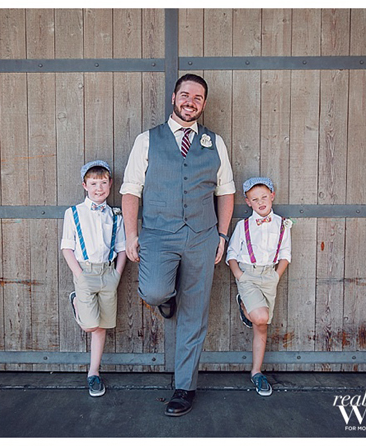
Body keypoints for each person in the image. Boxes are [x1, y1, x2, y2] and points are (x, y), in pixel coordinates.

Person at [120, 74, 235, 416]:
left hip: (202, 235)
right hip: (158, 233)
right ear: (173, 98)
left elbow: (226, 191)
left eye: (198, 98)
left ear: (203, 104)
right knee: (154, 291)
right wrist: (130, 234)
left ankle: (184, 387)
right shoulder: (147, 140)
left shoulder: (215, 143)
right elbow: (131, 190)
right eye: (185, 95)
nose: (190, 102)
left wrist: (222, 235)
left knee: (195, 314)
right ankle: (168, 296)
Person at [61, 160, 127, 397]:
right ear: (84, 185)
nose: (99, 188)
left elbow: (122, 248)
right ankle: (76, 301)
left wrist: (117, 275)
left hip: (108, 274)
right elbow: (67, 248)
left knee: (101, 327)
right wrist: (80, 276)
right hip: (85, 274)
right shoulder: (74, 213)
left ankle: (93, 373)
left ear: (110, 184)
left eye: (103, 183)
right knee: (90, 325)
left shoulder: (115, 215)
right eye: (93, 183)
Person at [226, 177, 291, 397]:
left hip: (269, 276)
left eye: (264, 197)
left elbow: (285, 253)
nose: (260, 202)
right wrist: (240, 275)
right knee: (261, 316)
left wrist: (276, 275)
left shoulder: (282, 224)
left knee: (261, 326)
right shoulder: (242, 225)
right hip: (248, 275)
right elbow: (232, 253)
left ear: (272, 196)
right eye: (255, 199)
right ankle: (245, 303)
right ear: (248, 202)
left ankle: (256, 372)